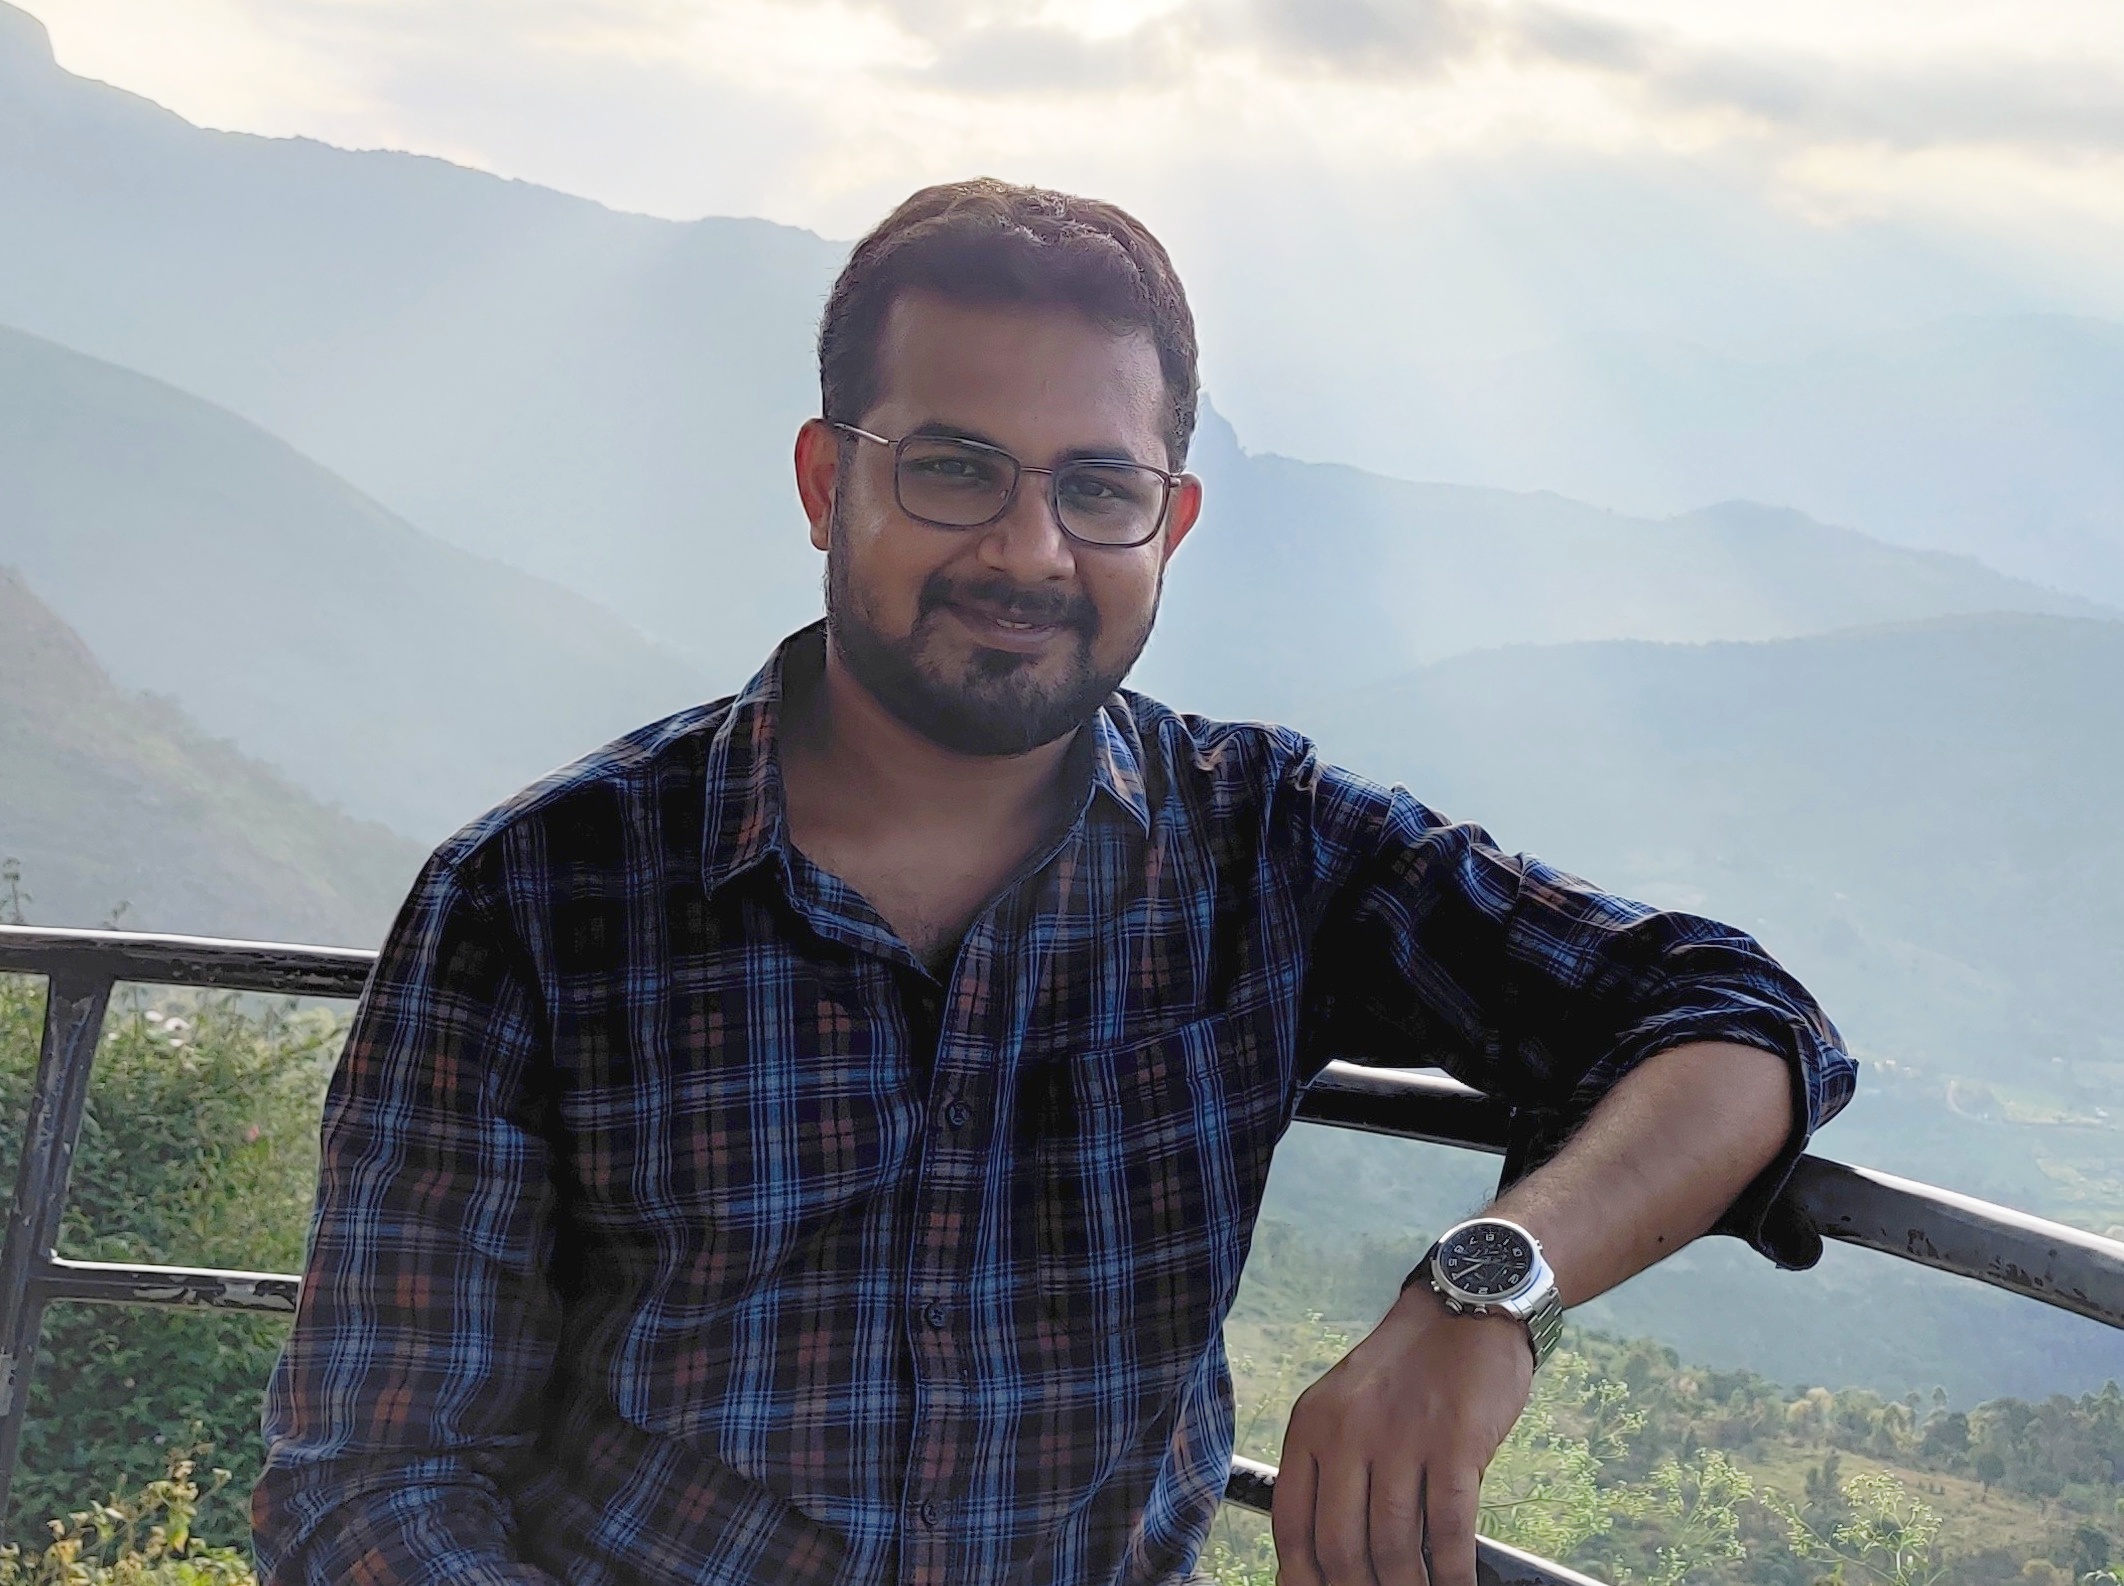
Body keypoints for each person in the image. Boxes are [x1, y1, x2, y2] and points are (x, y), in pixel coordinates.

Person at [253, 179, 1854, 1586]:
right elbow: (371, 1485)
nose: (1029, 551)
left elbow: (1734, 1015)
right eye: (955, 469)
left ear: (1173, 521)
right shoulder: (543, 901)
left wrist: (1483, 1292)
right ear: (825, 484)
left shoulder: (1267, 847)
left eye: (1097, 488)